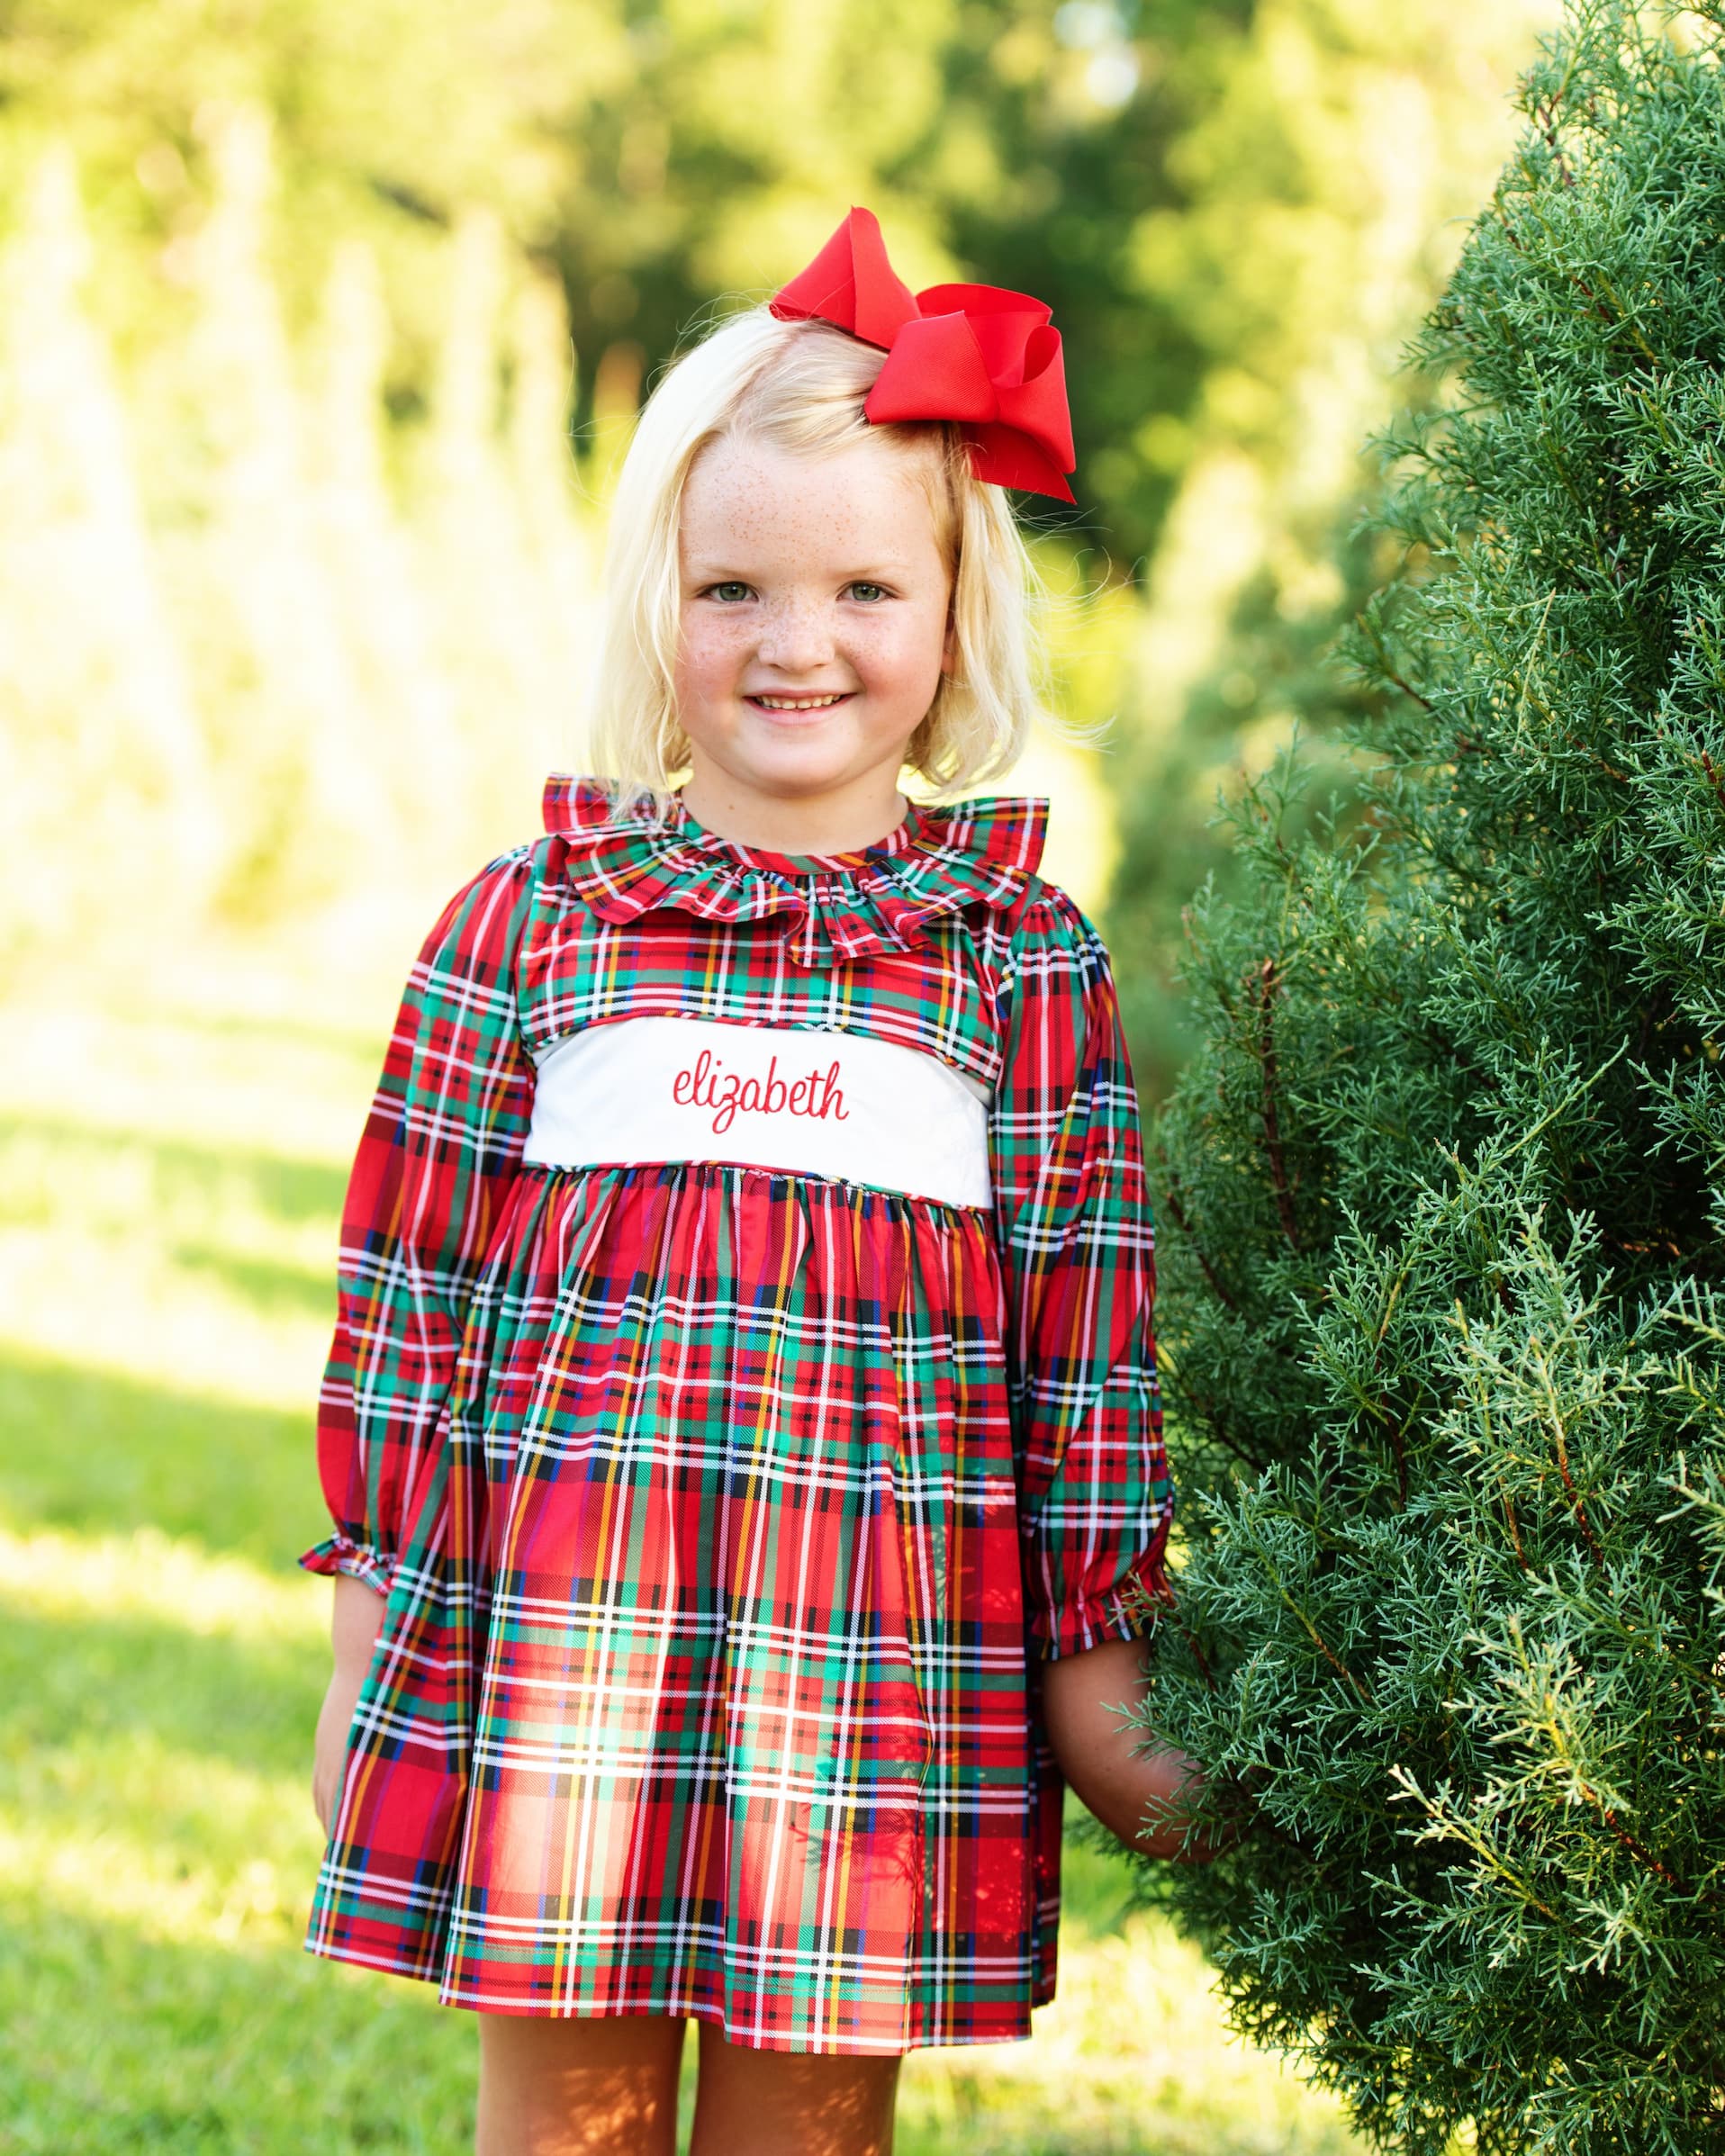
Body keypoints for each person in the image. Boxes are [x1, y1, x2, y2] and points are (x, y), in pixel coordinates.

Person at [304, 206, 1210, 2156]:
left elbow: (1083, 1357)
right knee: (565, 2128)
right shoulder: (531, 925)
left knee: (807, 2136)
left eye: (864, 588)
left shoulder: (1014, 962)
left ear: (955, 612)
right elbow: (407, 1303)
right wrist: (373, 1636)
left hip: (866, 1679)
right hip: (563, 1665)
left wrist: (1103, 1661)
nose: (797, 644)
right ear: (658, 603)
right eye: (732, 588)